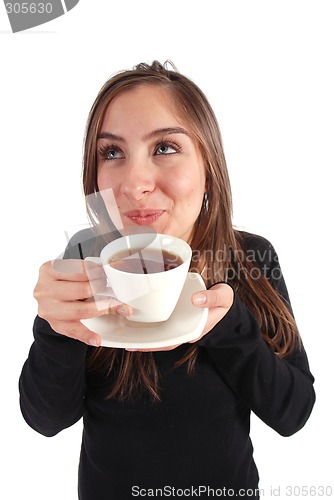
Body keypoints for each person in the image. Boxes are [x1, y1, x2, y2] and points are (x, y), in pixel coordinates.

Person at [19, 61, 315, 499]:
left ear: (208, 164)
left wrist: (230, 325)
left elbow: (292, 413)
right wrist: (55, 330)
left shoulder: (250, 257)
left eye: (165, 147)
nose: (135, 184)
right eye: (112, 153)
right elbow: (46, 420)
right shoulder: (85, 259)